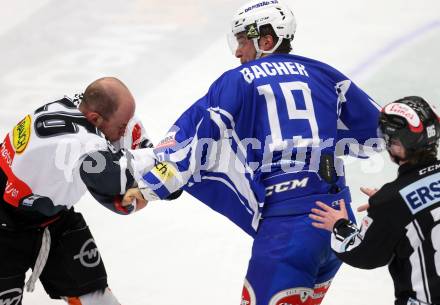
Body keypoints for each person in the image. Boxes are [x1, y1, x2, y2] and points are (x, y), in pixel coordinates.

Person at [124, 0, 382, 304]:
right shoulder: (325, 75)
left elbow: (193, 143)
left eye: (243, 41)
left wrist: (149, 188)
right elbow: (381, 135)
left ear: (267, 40)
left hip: (289, 227)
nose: (237, 51)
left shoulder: (236, 80)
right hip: (338, 220)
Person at [0, 77, 157, 305]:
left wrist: (149, 152)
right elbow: (112, 184)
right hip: (5, 228)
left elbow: (125, 124)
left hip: (53, 220)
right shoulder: (83, 144)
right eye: (122, 127)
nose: (124, 133)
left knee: (99, 300)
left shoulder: (83, 105)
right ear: (95, 119)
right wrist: (162, 170)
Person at [310, 96, 440, 305]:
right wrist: (393, 209)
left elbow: (365, 255)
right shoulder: (392, 201)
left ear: (398, 143)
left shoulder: (391, 201)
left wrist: (340, 225)